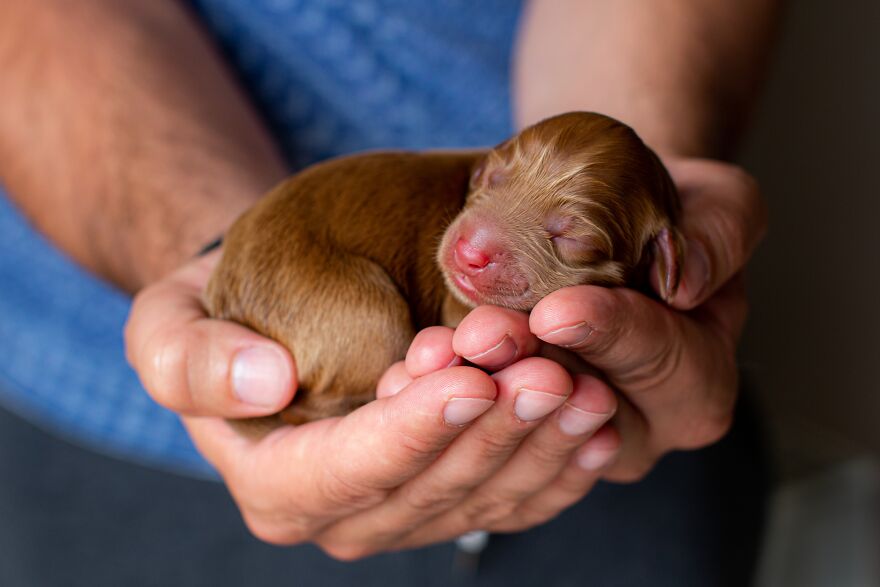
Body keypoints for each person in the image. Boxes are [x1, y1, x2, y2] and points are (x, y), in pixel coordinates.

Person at [0, 1, 779, 585]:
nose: (474, 243)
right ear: (481, 170)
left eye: (569, 238)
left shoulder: (634, 263)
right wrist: (206, 259)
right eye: (491, 186)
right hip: (105, 408)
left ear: (665, 261)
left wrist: (651, 147)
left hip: (621, 446)